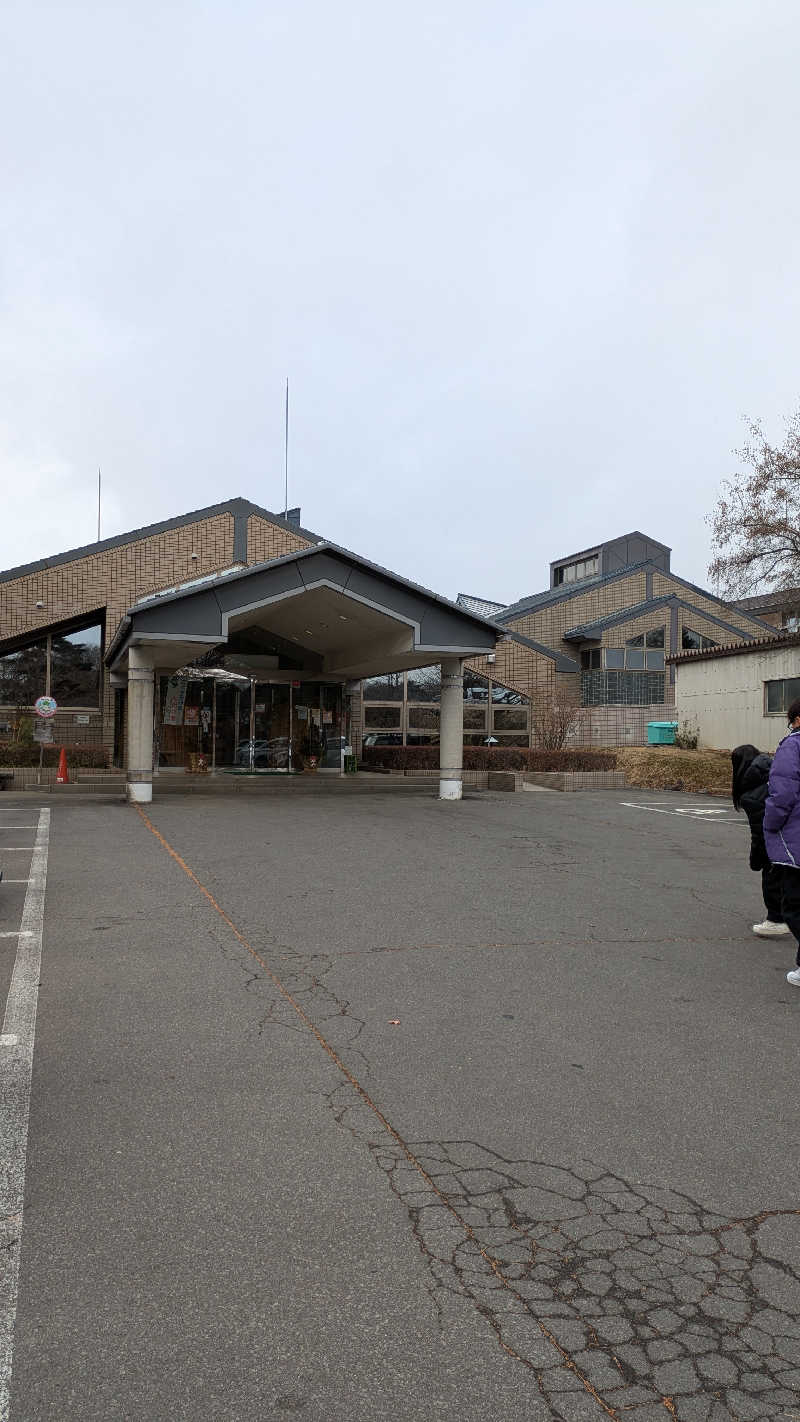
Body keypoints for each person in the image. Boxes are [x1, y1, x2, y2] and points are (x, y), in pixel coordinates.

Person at [731, 743, 787, 937]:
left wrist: (756, 859)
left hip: (779, 839)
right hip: (792, 833)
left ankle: (776, 920)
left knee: (771, 876)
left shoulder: (751, 794)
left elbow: (760, 832)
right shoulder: (773, 770)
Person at [763, 699, 800, 986]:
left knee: (794, 905)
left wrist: (770, 825)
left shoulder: (793, 746)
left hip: (796, 840)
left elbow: (782, 794)